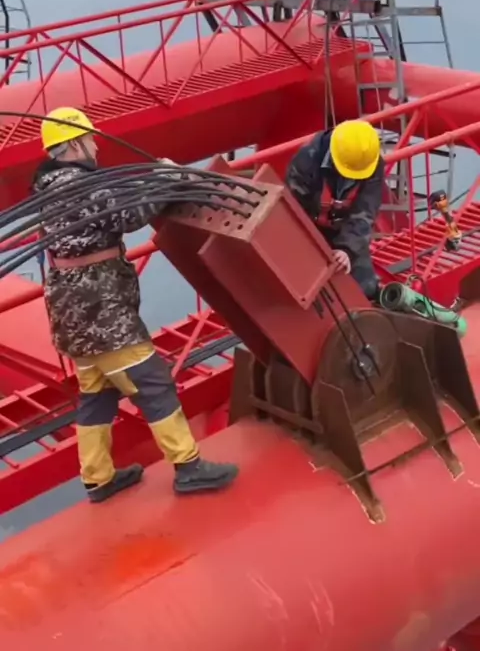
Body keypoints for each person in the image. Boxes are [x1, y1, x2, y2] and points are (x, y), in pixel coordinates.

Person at [33, 106, 238, 504]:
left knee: (97, 392)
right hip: (101, 313)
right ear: (74, 144)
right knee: (153, 383)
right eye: (90, 139)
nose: (96, 146)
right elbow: (128, 216)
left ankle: (98, 478)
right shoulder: (79, 185)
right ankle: (188, 466)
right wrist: (166, 177)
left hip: (71, 312)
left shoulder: (49, 185)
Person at [285, 119, 383, 300]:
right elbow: (294, 208)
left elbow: (365, 211)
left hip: (345, 230)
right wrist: (308, 247)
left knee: (366, 288)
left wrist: (347, 250)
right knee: (304, 286)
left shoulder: (370, 161)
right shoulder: (307, 159)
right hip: (310, 229)